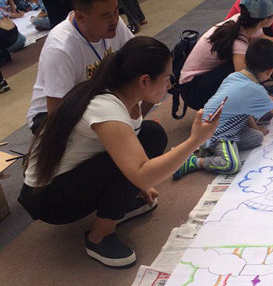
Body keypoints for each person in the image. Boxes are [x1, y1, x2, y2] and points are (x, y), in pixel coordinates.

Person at [19, 37, 218, 267]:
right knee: (138, 161)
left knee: (151, 134)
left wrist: (134, 186)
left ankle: (117, 205)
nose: (169, 85)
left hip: (65, 179)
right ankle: (99, 236)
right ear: (144, 81)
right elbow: (142, 174)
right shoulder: (107, 108)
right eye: (167, 79)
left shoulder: (125, 94)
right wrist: (195, 140)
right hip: (48, 200)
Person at [26, 0, 132, 134]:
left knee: (151, 131)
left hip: (95, 101)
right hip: (51, 117)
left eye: (116, 11)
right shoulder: (60, 48)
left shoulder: (114, 24)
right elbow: (56, 112)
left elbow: (137, 57)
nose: (114, 20)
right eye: (105, 15)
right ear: (81, 17)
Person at [174, 38, 273, 179]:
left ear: (246, 60)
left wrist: (256, 128)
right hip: (216, 133)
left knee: (257, 137)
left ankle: (214, 149)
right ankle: (195, 161)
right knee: (231, 165)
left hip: (209, 126)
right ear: (269, 71)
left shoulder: (234, 76)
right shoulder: (255, 89)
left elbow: (246, 110)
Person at [179, 0, 273, 110]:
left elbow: (268, 51)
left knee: (257, 58)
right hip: (193, 89)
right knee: (247, 72)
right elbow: (244, 82)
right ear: (265, 20)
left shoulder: (247, 23)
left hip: (206, 77)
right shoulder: (239, 41)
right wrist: (268, 102)